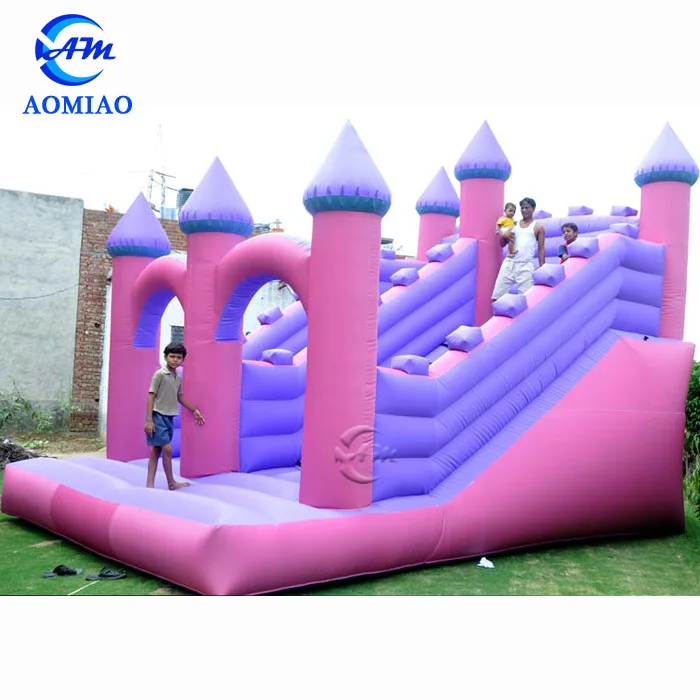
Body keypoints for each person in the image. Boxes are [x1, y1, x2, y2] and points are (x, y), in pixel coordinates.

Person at [144, 342, 205, 490]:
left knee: (156, 451)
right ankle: (171, 482)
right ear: (166, 357)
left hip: (169, 417)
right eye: (172, 356)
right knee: (168, 449)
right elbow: (151, 396)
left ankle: (150, 484)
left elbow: (180, 397)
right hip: (158, 416)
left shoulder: (177, 378)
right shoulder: (159, 374)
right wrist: (149, 421)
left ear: (183, 359)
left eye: (179, 357)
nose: (175, 360)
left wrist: (194, 410)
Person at [492, 197, 546, 300]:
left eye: (527, 208)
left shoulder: (538, 227)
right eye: (522, 208)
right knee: (497, 298)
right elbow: (502, 244)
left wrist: (543, 268)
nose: (524, 210)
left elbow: (541, 250)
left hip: (526, 266)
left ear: (533, 209)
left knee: (527, 299)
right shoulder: (513, 224)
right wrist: (504, 235)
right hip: (509, 264)